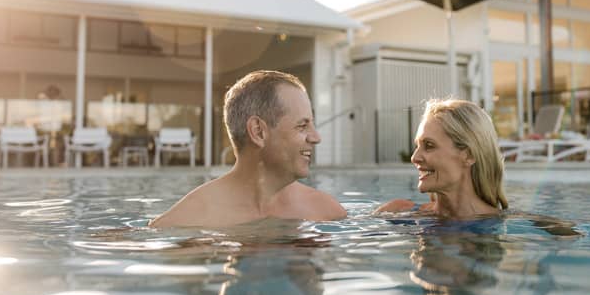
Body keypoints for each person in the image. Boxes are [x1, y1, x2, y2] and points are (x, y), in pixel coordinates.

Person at [150, 70, 346, 228]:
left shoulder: (325, 210)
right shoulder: (186, 222)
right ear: (258, 131)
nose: (316, 138)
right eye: (302, 126)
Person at [376, 98, 508, 218]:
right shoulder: (395, 212)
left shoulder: (510, 226)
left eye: (429, 145)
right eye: (417, 145)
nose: (414, 158)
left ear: (469, 155)